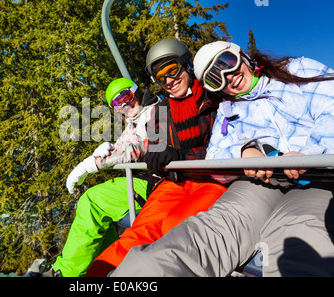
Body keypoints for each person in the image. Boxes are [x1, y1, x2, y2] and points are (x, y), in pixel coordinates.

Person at [109, 41, 334, 277]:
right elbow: (212, 152)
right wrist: (245, 151)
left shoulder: (290, 72)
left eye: (227, 63)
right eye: (216, 79)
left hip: (315, 177)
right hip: (219, 182)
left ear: (241, 55)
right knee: (189, 237)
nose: (228, 77)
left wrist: (310, 153)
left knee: (296, 239)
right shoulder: (170, 110)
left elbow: (330, 104)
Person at [85, 38, 227, 277]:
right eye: (161, 77)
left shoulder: (214, 99)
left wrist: (183, 155)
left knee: (175, 226)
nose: (169, 81)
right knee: (137, 232)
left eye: (172, 70)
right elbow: (153, 146)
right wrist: (157, 155)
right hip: (173, 183)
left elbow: (225, 145)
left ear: (187, 65)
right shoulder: (161, 111)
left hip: (211, 181)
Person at [50, 78, 161, 277]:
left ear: (135, 93)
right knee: (96, 207)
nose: (125, 106)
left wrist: (90, 165)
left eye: (126, 97)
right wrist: (105, 150)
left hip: (154, 183)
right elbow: (123, 144)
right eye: (117, 105)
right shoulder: (136, 119)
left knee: (92, 201)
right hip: (145, 182)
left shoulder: (155, 112)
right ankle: (101, 269)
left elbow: (135, 147)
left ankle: (66, 273)